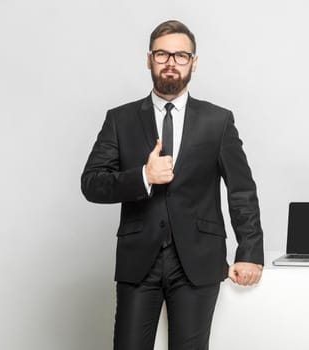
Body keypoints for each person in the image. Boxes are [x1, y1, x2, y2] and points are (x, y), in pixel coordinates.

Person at [81, 20, 264, 350]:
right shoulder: (119, 120)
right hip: (139, 262)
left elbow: (242, 190)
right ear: (149, 59)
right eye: (163, 54)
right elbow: (92, 183)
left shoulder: (218, 121)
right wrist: (143, 177)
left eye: (181, 56)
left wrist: (250, 252)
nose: (171, 62)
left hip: (198, 260)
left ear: (194, 63)